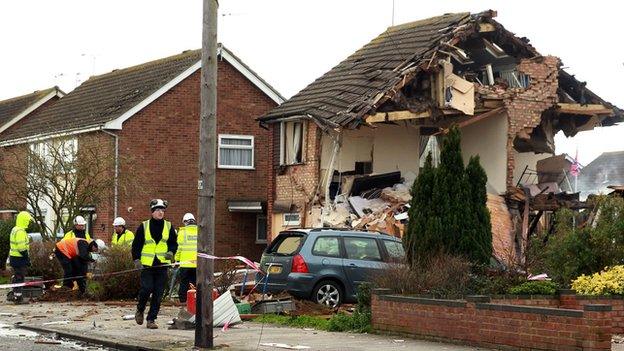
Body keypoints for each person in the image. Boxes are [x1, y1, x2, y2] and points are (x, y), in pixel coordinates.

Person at [131, 199, 177, 329]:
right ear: (152, 212)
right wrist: (136, 259)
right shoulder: (144, 226)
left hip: (162, 265)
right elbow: (137, 245)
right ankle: (140, 310)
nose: (160, 212)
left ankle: (151, 319)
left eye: (162, 210)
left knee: (158, 293)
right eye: (157, 210)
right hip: (147, 265)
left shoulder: (168, 226)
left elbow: (173, 243)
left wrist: (171, 252)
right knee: (146, 289)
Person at [8, 211, 33, 304]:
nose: (28, 223)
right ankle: (18, 298)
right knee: (20, 277)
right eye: (27, 221)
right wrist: (27, 259)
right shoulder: (20, 231)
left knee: (17, 276)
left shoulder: (15, 229)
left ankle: (15, 294)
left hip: (14, 257)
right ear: (24, 220)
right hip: (19, 258)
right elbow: (21, 248)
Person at [175, 213, 197, 303]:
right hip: (197, 263)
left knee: (184, 283)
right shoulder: (200, 231)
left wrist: (176, 259)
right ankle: (195, 300)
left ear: (185, 222)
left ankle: (183, 301)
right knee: (195, 283)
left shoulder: (182, 232)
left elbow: (179, 248)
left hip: (185, 263)